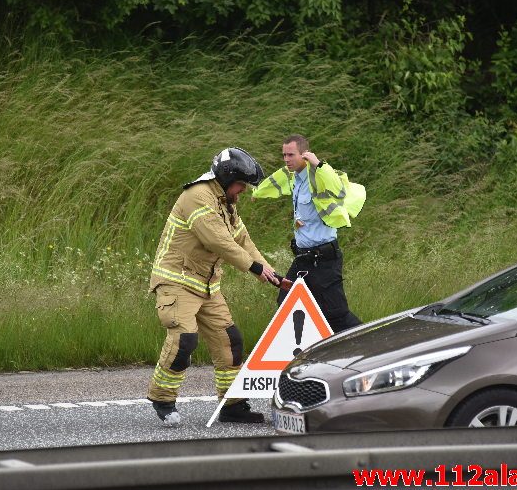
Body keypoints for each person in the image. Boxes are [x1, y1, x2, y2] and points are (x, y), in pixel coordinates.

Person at [147, 147, 281, 427]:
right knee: (184, 340)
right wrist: (253, 267)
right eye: (241, 185)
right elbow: (217, 240)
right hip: (176, 280)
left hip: (206, 285)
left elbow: (241, 239)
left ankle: (232, 405)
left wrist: (267, 272)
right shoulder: (197, 197)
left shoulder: (226, 200)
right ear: (227, 177)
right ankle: (163, 397)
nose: (243, 190)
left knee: (230, 341)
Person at [252, 134, 366, 333]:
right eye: (284, 155)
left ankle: (371, 344)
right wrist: (257, 192)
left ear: (304, 155)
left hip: (324, 260)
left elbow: (337, 189)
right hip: (304, 259)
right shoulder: (294, 177)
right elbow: (275, 181)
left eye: (291, 155)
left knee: (336, 314)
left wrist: (319, 164)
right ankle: (306, 349)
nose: (286, 159)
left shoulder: (319, 177)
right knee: (286, 302)